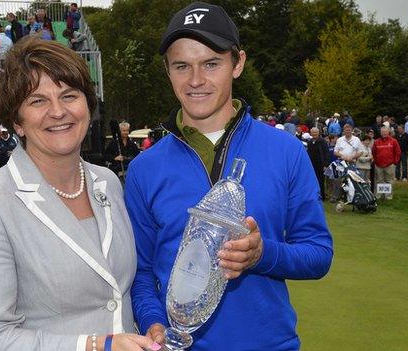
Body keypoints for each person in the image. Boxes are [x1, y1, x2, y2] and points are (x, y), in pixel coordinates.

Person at [124, 3, 333, 350]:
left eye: (211, 63)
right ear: (167, 70)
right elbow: (141, 273)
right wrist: (153, 321)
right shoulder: (145, 168)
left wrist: (261, 255)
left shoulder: (286, 151)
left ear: (238, 63)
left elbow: (318, 254)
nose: (195, 80)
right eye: (181, 66)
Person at [0, 37, 157, 351]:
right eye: (38, 101)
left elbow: (118, 294)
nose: (58, 111)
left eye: (69, 95)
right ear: (17, 122)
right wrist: (98, 345)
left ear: (87, 105)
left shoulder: (108, 182)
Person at [372, 126, 401, 199]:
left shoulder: (393, 141)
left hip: (390, 165)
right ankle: (378, 196)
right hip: (378, 165)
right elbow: (373, 152)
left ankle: (388, 196)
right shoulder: (376, 142)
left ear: (388, 132)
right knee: (379, 181)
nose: (384, 133)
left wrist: (394, 162)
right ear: (380, 133)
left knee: (389, 181)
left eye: (385, 131)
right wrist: (376, 162)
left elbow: (398, 152)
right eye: (382, 132)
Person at [306, 127, 331, 200]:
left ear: (318, 133)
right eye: (313, 132)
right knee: (312, 180)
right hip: (312, 164)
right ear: (311, 133)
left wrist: (325, 165)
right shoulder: (310, 142)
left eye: (315, 132)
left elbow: (326, 153)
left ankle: (322, 196)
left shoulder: (322, 141)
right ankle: (313, 195)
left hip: (321, 164)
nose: (314, 134)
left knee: (321, 180)